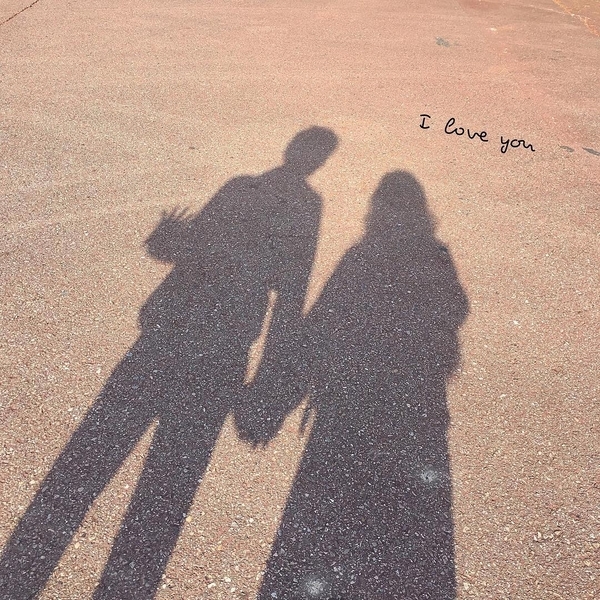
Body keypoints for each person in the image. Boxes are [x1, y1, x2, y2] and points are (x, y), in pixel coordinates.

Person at [0, 127, 337, 599]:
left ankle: (18, 576)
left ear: (295, 151)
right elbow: (289, 297)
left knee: (85, 465)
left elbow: (194, 251)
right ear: (316, 161)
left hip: (169, 337)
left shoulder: (246, 189)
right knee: (164, 494)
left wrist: (168, 241)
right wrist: (267, 385)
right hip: (218, 352)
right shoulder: (295, 205)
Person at [258, 171, 469, 599]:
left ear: (376, 211)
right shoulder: (436, 255)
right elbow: (457, 308)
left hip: (351, 395)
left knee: (337, 498)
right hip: (415, 396)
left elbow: (322, 321)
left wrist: (282, 396)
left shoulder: (362, 255)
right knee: (404, 504)